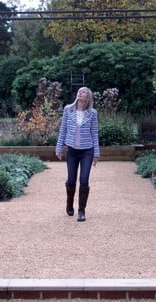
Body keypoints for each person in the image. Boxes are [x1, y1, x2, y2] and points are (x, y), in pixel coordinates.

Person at [55, 87, 100, 222]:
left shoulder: (92, 113)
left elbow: (94, 133)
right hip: (72, 151)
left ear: (88, 97)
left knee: (84, 180)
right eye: (79, 91)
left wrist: (96, 153)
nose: (80, 93)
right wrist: (59, 148)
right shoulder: (68, 109)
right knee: (71, 180)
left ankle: (81, 210)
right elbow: (63, 129)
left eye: (83, 92)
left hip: (87, 151)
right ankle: (69, 203)